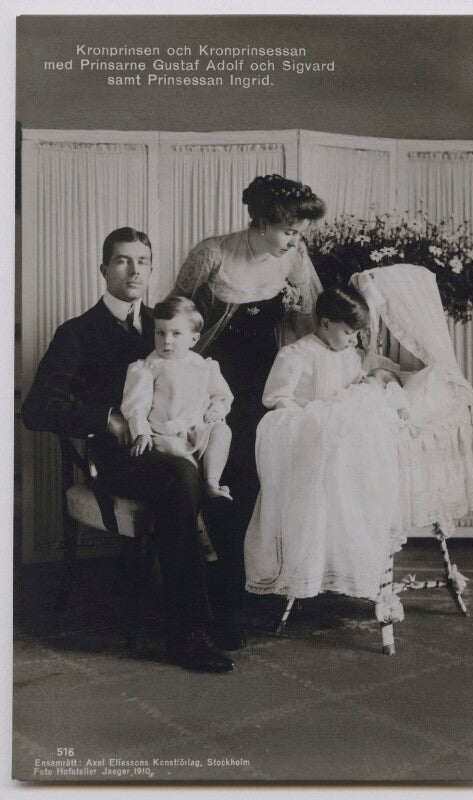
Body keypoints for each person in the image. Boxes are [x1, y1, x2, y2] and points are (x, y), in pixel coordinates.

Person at [21, 227, 237, 673]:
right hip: (119, 459)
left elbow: (198, 380)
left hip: (177, 442)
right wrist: (106, 417)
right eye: (122, 260)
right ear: (104, 269)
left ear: (152, 268)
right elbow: (37, 409)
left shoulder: (168, 324)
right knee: (180, 477)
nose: (134, 270)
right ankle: (188, 632)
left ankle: (223, 609)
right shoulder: (77, 332)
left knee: (217, 468)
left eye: (143, 260)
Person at [168, 174, 325, 627]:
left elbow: (310, 316)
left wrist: (298, 308)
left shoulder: (293, 256)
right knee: (223, 481)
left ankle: (258, 586)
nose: (297, 241)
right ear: (261, 220)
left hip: (265, 380)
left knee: (264, 476)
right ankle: (217, 596)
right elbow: (176, 319)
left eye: (299, 232)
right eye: (290, 230)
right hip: (213, 382)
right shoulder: (212, 253)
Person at [244, 287, 405, 602]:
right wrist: (311, 423)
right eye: (347, 332)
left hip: (340, 441)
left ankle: (348, 565)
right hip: (308, 438)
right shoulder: (297, 354)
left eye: (356, 334)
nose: (352, 340)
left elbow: (351, 389)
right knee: (314, 505)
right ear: (325, 323)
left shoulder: (347, 355)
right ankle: (305, 572)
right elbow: (277, 399)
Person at [121, 297, 233, 501]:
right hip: (166, 433)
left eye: (176, 334)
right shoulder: (148, 367)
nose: (167, 341)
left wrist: (217, 408)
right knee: (186, 474)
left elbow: (222, 394)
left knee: (223, 431)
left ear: (193, 338)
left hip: (198, 428)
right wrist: (141, 433)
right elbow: (137, 406)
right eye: (160, 333)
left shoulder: (203, 365)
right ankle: (196, 515)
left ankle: (212, 481)